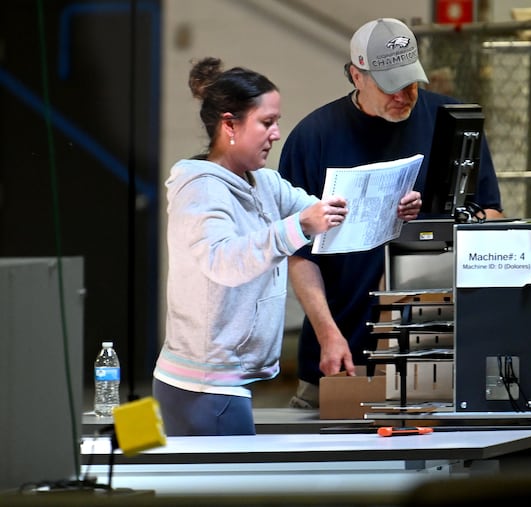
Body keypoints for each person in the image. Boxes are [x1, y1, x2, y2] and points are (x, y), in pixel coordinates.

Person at [152, 56, 422, 436]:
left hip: (227, 382)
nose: (276, 134)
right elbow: (223, 261)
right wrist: (296, 227)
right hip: (202, 386)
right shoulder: (199, 188)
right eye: (266, 123)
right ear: (229, 124)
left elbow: (330, 215)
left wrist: (392, 208)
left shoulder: (263, 183)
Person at [278, 18, 503, 409]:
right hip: (340, 356)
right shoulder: (313, 138)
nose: (402, 95)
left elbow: (492, 216)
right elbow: (298, 253)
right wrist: (328, 334)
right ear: (356, 75)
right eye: (389, 85)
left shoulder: (451, 123)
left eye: (410, 82)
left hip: (434, 354)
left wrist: (432, 224)